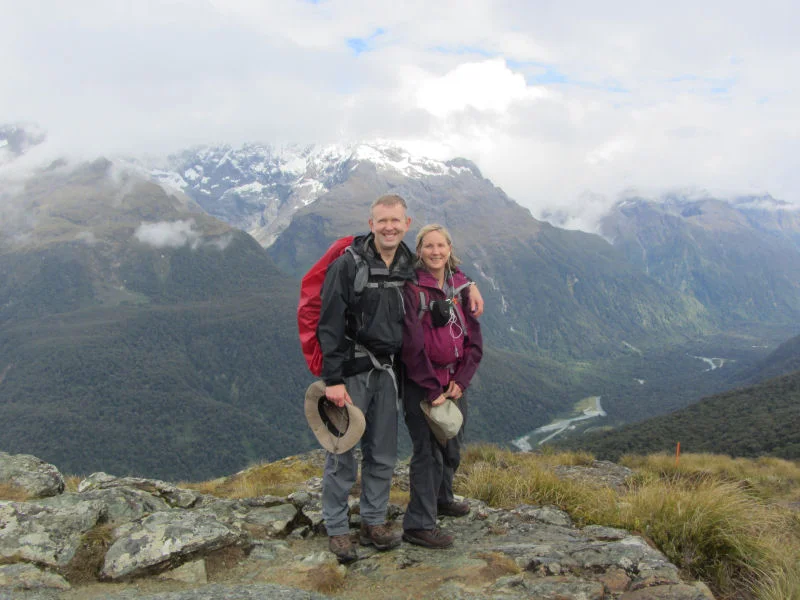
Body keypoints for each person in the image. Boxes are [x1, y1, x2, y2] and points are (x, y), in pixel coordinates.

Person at [317, 195, 485, 563]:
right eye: (382, 221)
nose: (389, 227)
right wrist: (332, 378)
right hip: (351, 371)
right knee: (343, 451)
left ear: (406, 223)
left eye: (395, 221)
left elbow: (442, 272)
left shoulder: (409, 263)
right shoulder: (349, 266)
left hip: (390, 371)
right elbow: (328, 324)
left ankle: (373, 522)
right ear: (371, 222)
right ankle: (338, 528)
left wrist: (470, 283)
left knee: (382, 451)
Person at [400, 224, 483, 549]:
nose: (435, 252)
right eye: (429, 246)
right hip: (422, 385)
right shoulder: (411, 288)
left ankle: (442, 498)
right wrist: (431, 388)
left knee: (452, 444)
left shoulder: (459, 286)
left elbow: (474, 339)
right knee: (428, 452)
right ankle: (418, 524)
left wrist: (462, 380)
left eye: (441, 246)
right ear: (419, 251)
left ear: (450, 249)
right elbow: (410, 345)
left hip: (453, 381)